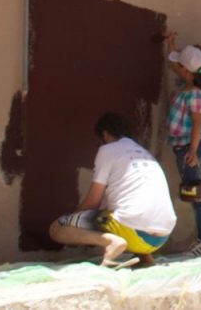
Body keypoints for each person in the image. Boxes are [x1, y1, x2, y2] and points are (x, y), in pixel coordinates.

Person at [49, 113, 176, 268]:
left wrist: (73, 222)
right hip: (160, 238)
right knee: (125, 211)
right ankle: (145, 257)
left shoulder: (108, 150)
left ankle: (112, 242)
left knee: (57, 227)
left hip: (133, 232)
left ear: (105, 134)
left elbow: (93, 201)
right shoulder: (145, 153)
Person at [168, 45, 201, 256]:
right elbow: (174, 65)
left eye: (181, 66)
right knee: (195, 192)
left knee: (197, 195)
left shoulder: (195, 94)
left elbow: (197, 122)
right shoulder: (192, 89)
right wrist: (171, 46)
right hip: (188, 146)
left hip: (190, 146)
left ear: (186, 71)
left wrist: (193, 150)